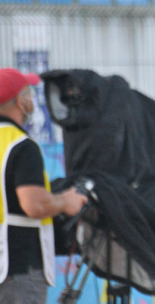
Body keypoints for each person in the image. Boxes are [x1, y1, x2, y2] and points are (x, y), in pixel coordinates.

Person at [0, 68, 88, 304]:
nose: (31, 99)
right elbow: (34, 204)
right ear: (20, 102)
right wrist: (65, 201)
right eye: (28, 93)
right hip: (16, 268)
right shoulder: (21, 146)